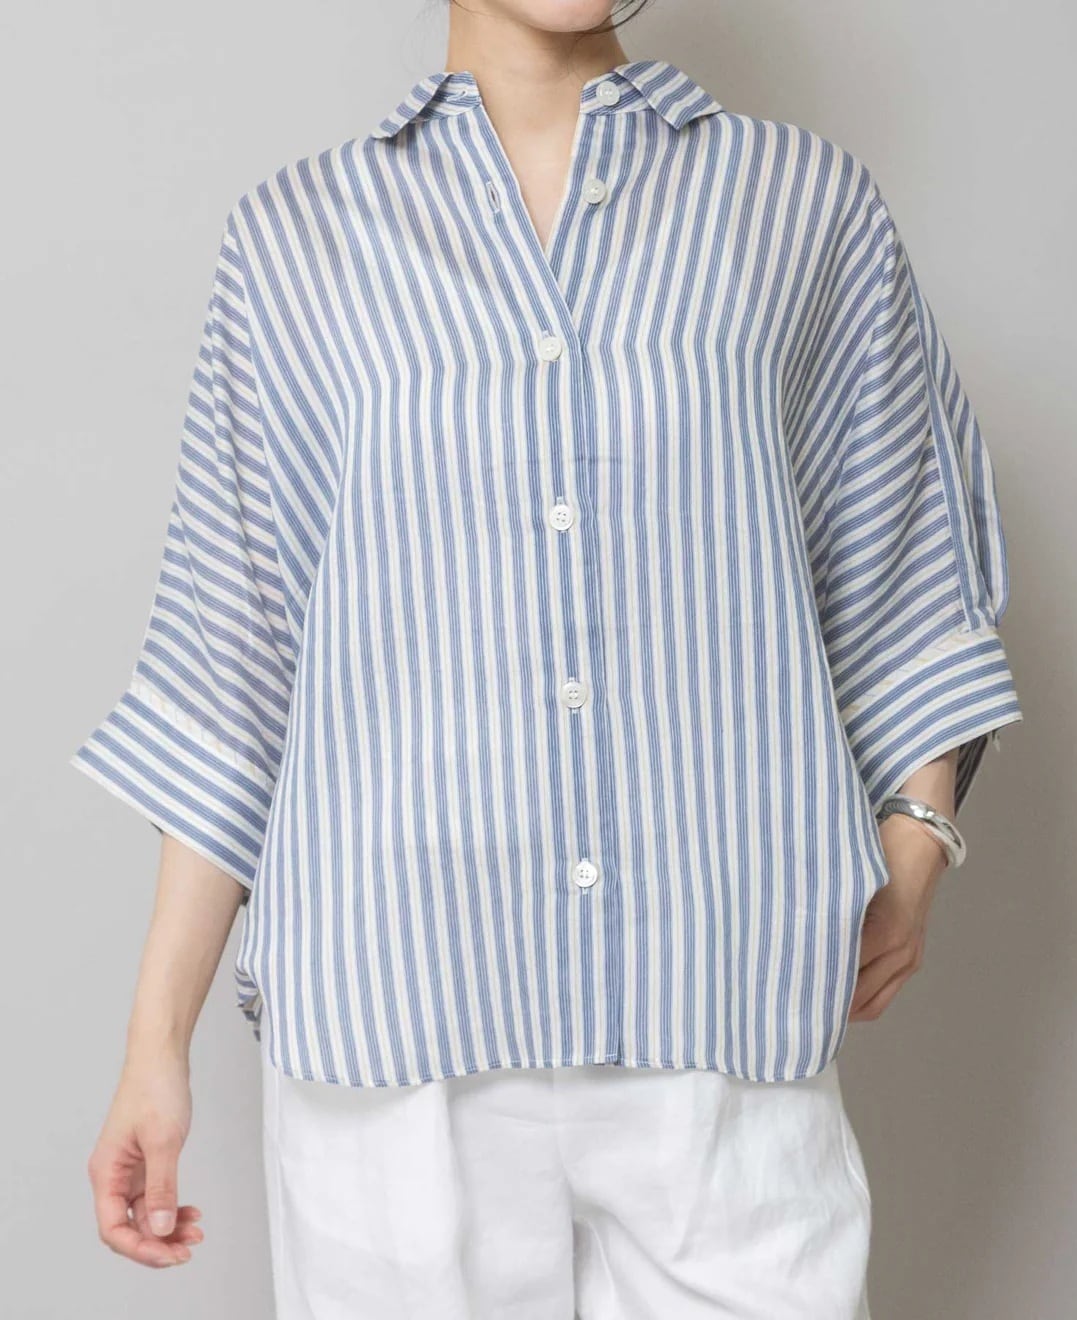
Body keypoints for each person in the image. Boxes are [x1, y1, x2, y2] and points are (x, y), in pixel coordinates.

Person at [72, 1, 1024, 1316]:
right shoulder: (297, 241)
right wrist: (154, 1046)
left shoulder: (802, 207)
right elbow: (235, 663)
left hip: (719, 1007)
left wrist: (917, 841)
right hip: (393, 1027)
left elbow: (906, 562)